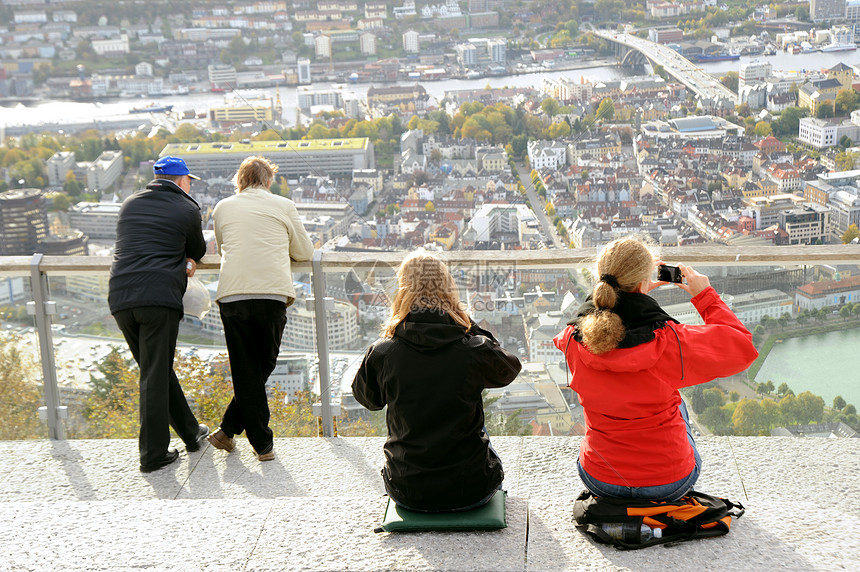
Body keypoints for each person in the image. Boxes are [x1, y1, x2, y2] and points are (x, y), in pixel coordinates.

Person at [553, 236, 758, 501]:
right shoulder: (671, 342)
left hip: (601, 478)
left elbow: (599, 316)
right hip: (668, 482)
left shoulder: (571, 339)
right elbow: (742, 347)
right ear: (642, 281)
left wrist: (632, 291)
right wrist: (704, 295)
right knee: (677, 400)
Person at [352, 251, 522, 512]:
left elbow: (368, 400)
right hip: (473, 490)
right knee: (477, 424)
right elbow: (509, 368)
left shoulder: (384, 352)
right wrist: (465, 323)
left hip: (407, 491)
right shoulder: (473, 349)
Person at [207, 156, 313, 462]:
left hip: (233, 294)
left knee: (246, 368)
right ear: (268, 181)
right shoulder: (283, 205)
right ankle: (262, 444)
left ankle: (227, 431)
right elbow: (304, 251)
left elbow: (224, 243)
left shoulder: (223, 207)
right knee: (263, 364)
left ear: (239, 181)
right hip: (270, 293)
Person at [109, 156, 209, 473]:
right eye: (189, 180)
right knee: (154, 374)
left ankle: (191, 434)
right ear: (182, 181)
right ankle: (153, 454)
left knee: (156, 370)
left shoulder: (129, 204)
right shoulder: (187, 208)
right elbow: (199, 250)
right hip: (158, 298)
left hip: (121, 296)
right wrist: (187, 260)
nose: (190, 185)